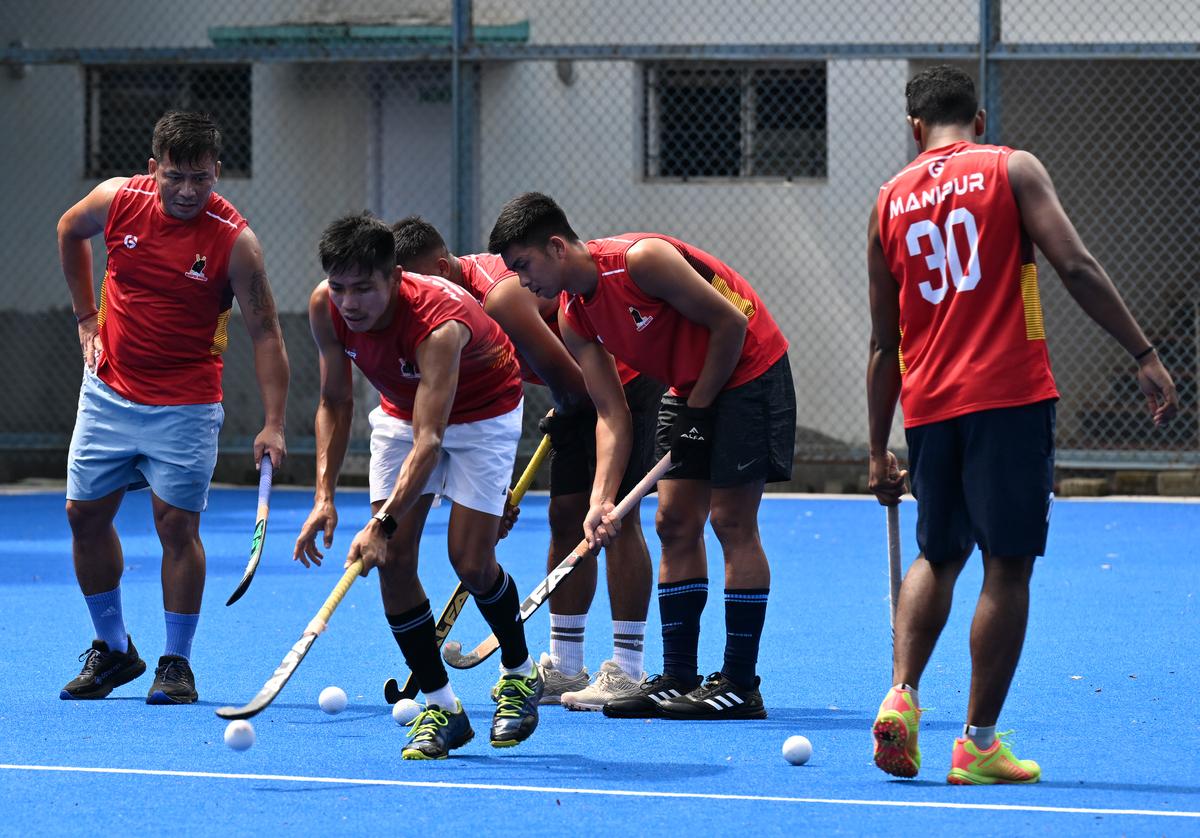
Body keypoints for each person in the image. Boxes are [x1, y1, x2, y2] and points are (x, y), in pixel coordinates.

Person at [866, 65, 1179, 784]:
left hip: (930, 404)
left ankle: (901, 695)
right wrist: (1143, 351)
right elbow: (1074, 264)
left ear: (916, 128)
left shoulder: (888, 200)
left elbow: (885, 343)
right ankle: (976, 744)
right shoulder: (1010, 168)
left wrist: (881, 444)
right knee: (1005, 565)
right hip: (1007, 398)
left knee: (937, 554)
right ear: (977, 118)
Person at [488, 194, 796, 720]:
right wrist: (601, 500)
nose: (522, 282)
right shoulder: (574, 317)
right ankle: (678, 676)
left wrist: (697, 411)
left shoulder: (640, 261)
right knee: (673, 521)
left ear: (557, 247)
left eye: (524, 266)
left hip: (749, 372)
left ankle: (741, 684)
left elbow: (731, 325)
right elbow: (612, 414)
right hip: (688, 387)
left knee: (729, 521)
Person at [57, 111, 290, 704]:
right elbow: (68, 229)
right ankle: (113, 651)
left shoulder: (234, 241)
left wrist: (273, 423)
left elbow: (266, 333)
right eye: (176, 177)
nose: (188, 191)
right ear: (153, 168)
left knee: (176, 527)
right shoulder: (117, 201)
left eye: (201, 179)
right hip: (108, 388)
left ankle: (176, 664)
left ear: (217, 172)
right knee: (84, 515)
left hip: (185, 404)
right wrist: (87, 315)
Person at [294, 212, 542, 759]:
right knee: (394, 560)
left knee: (470, 561)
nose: (350, 302)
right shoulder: (325, 308)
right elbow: (335, 401)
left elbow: (430, 443)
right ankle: (442, 707)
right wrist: (324, 496)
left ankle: (521, 674)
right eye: (339, 287)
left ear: (395, 277)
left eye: (364, 288)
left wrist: (380, 522)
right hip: (402, 412)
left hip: (483, 412)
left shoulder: (438, 322)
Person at [393, 216, 665, 710]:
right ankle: (565, 664)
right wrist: (490, 497)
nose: (406, 296)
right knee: (565, 517)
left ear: (438, 268)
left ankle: (628, 669)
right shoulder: (434, 307)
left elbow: (575, 386)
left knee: (615, 520)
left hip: (615, 387)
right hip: (572, 395)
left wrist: (493, 499)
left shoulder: (497, 298)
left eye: (413, 281)